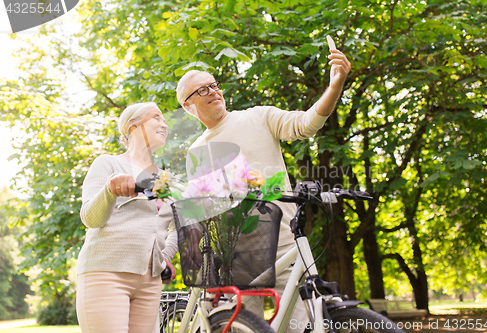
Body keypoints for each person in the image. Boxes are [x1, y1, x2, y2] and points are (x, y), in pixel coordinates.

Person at [176, 44, 351, 332]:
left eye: (214, 85)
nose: (214, 92)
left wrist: (335, 85)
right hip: (237, 253)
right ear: (187, 105)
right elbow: (202, 208)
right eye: (203, 90)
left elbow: (306, 124)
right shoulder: (197, 151)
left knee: (304, 324)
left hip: (283, 239)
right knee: (243, 326)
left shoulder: (257, 116)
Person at [76, 102, 178, 333]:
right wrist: (109, 191)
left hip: (150, 282)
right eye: (157, 118)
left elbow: (179, 226)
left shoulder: (165, 179)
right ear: (133, 124)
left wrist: (163, 257)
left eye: (165, 120)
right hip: (106, 273)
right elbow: (90, 219)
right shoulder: (108, 163)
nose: (164, 123)